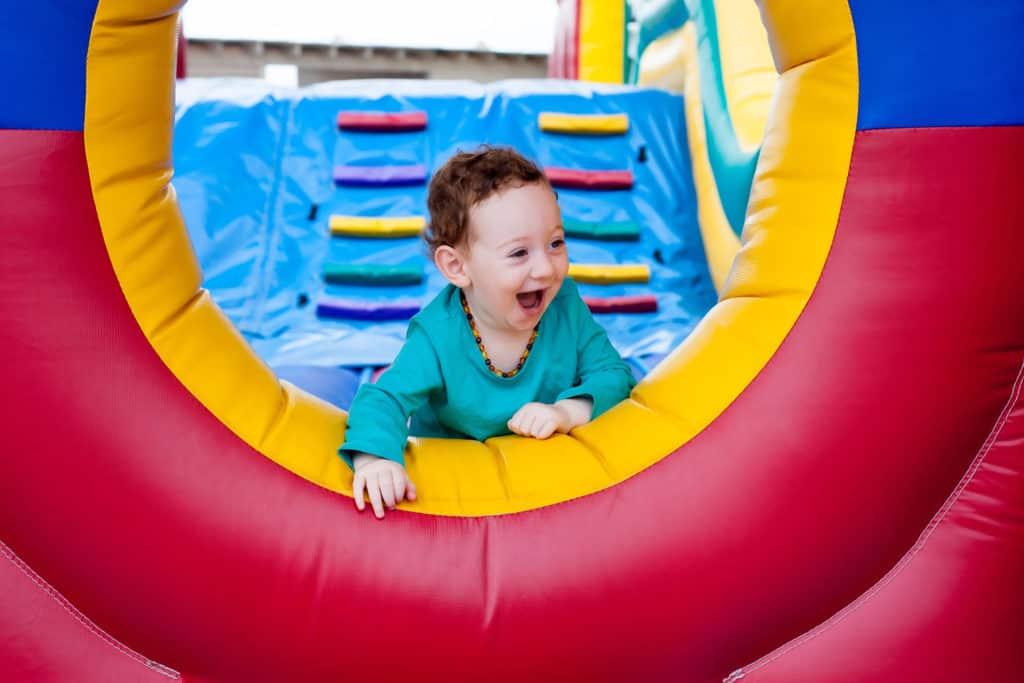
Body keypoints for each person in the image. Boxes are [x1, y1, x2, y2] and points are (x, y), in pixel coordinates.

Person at [339, 146, 636, 518]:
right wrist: (375, 460)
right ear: (457, 267)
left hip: (541, 483)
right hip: (458, 491)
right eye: (518, 253)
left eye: (555, 243)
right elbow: (385, 398)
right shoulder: (438, 335)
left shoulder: (565, 307)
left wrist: (566, 411)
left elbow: (612, 374)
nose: (545, 268)